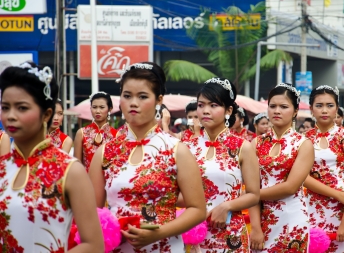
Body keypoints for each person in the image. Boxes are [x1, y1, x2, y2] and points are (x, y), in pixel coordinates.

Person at [89, 62, 206, 252]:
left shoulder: (177, 150)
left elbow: (198, 210)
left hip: (165, 246)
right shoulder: (105, 153)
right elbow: (93, 211)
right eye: (127, 96)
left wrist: (159, 233)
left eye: (142, 96)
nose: (133, 103)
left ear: (159, 99)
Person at [0, 62, 103, 251]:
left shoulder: (70, 171)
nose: (10, 116)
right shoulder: (2, 168)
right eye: (5, 107)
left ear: (46, 114)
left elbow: (94, 245)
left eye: (22, 108)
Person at [184, 77, 260, 252]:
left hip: (230, 232)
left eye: (213, 105)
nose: (205, 111)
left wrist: (226, 206)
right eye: (201, 105)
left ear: (229, 110)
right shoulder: (187, 148)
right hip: (195, 231)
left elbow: (254, 195)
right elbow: (179, 192)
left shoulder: (243, 147)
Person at [249, 83, 314, 252]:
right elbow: (252, 185)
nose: (276, 111)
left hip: (292, 219)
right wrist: (255, 227)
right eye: (272, 106)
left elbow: (291, 187)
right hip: (262, 219)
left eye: (283, 107)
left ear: (295, 111)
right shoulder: (255, 143)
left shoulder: (303, 144)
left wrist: (250, 196)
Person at [304, 85, 344, 252]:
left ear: (337, 109)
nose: (324, 110)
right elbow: (302, 178)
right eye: (319, 105)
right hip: (313, 207)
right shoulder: (303, 139)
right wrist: (338, 194)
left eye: (330, 106)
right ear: (311, 109)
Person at [74, 92, 117, 172]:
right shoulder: (81, 133)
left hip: (108, 182)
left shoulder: (117, 135)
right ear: (90, 108)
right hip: (87, 181)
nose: (97, 111)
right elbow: (77, 165)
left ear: (110, 109)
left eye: (102, 107)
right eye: (94, 107)